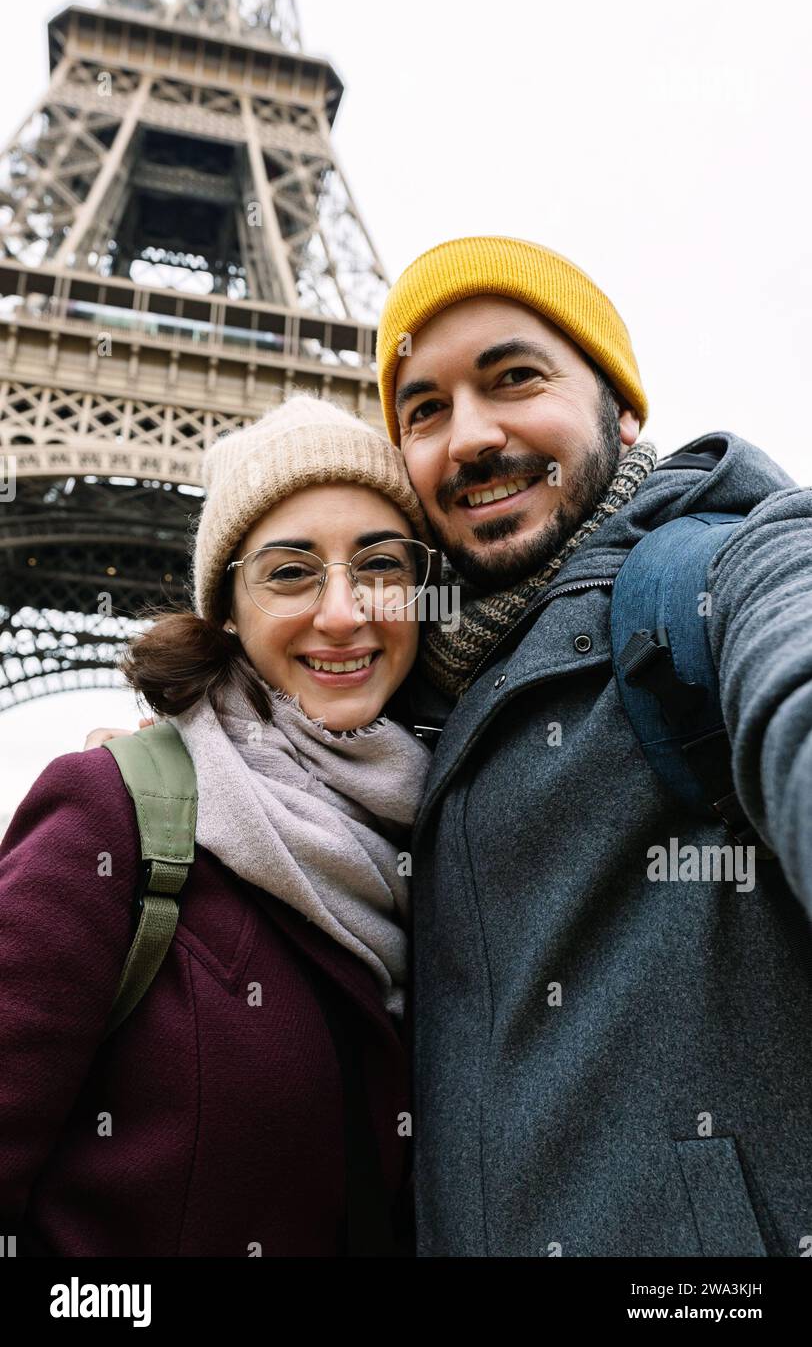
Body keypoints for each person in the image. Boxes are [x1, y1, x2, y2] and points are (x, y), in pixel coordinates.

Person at [372, 235, 812, 1257]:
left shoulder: (730, 570)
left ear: (621, 408)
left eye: (512, 376)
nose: (468, 436)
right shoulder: (408, 721)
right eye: (423, 409)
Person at [0, 394, 435, 1257]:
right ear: (226, 609)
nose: (343, 613)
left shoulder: (453, 838)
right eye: (288, 571)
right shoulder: (112, 812)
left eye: (381, 565)